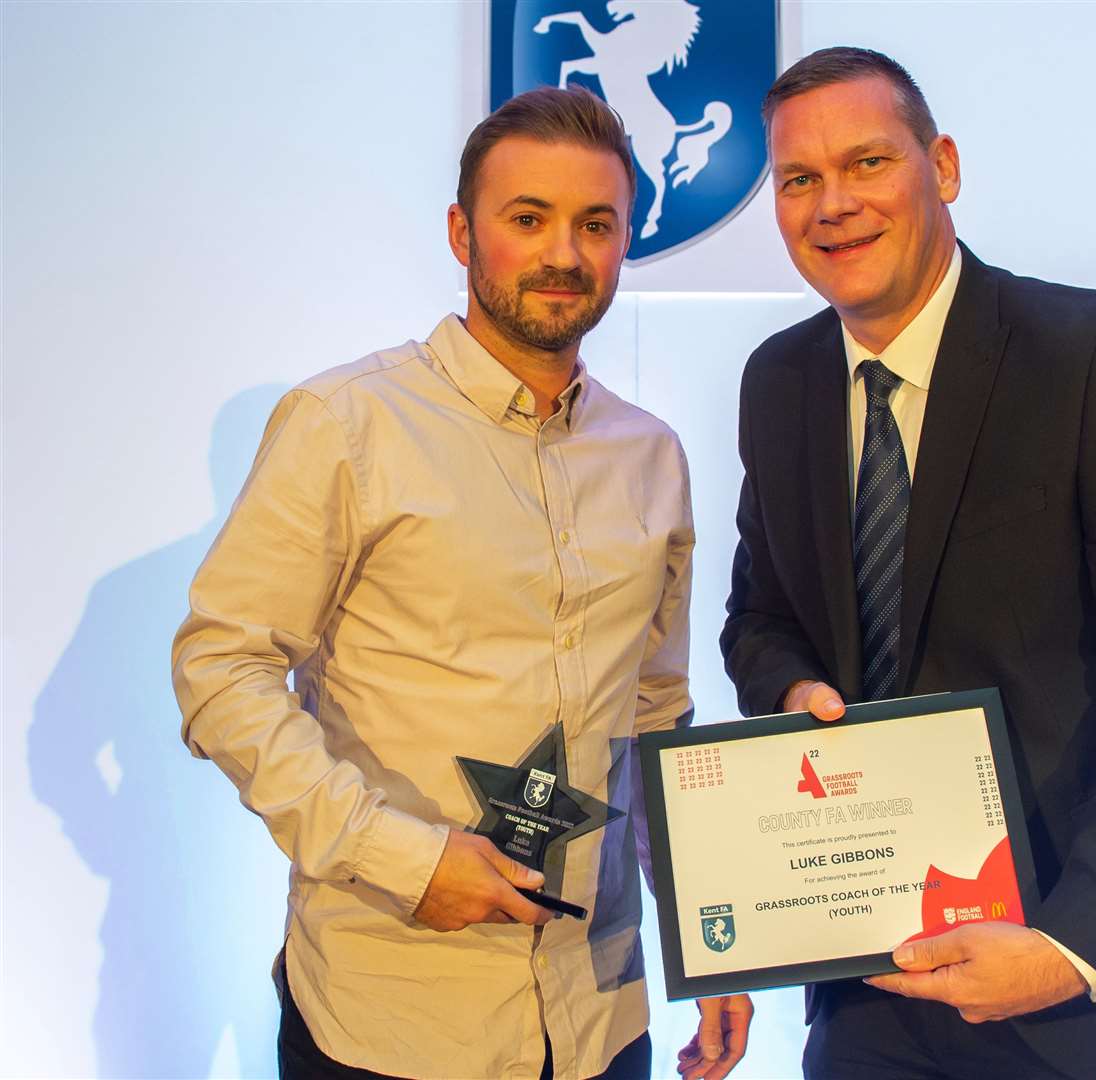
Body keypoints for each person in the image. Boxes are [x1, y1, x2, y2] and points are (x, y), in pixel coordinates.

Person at [720, 47, 1096, 1079]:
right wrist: (791, 688)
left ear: (940, 165)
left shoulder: (1095, 356)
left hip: (1082, 983)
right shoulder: (779, 382)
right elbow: (758, 618)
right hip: (873, 982)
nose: (832, 205)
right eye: (799, 180)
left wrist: (1070, 950)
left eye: (866, 163)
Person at [172, 86, 750, 1080]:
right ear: (462, 231)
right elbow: (220, 671)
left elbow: (653, 714)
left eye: (595, 224)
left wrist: (710, 932)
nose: (563, 255)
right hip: (389, 1019)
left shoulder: (651, 457)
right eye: (527, 219)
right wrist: (400, 857)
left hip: (599, 1024)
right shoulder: (346, 424)